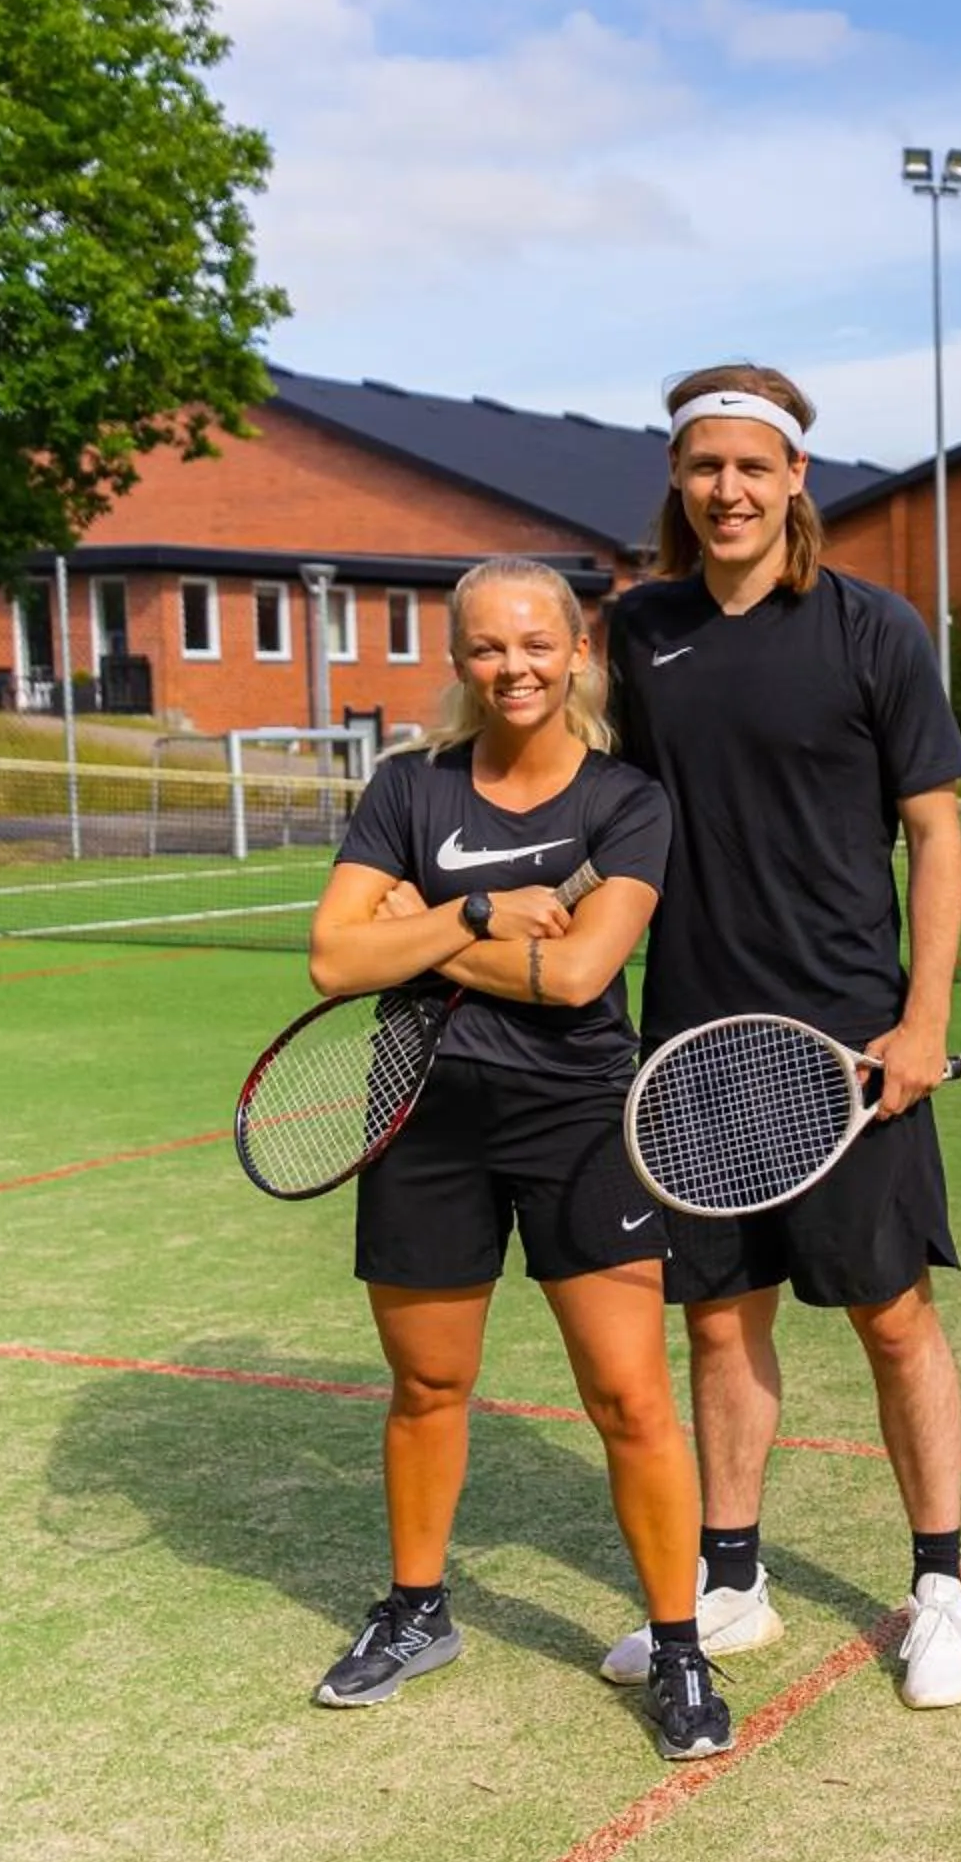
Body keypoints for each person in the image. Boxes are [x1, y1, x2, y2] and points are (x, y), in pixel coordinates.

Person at [598, 363, 961, 1711]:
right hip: (691, 1046)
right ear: (679, 482)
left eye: (750, 466)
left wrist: (921, 1019)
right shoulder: (635, 634)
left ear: (794, 477)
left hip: (854, 1053)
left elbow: (935, 832)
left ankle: (940, 1585)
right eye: (704, 467)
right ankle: (732, 1581)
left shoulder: (873, 631)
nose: (727, 490)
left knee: (891, 1318)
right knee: (719, 1329)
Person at [301, 557, 731, 1762]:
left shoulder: (626, 800)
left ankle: (681, 1644)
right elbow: (335, 963)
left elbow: (584, 974)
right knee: (427, 1389)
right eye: (489, 648)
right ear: (459, 661)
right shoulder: (407, 790)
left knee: (629, 1399)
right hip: (421, 1118)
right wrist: (485, 917)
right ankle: (418, 1611)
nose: (514, 668)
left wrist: (412, 934)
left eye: (536, 643)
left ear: (577, 651)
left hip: (577, 1117)